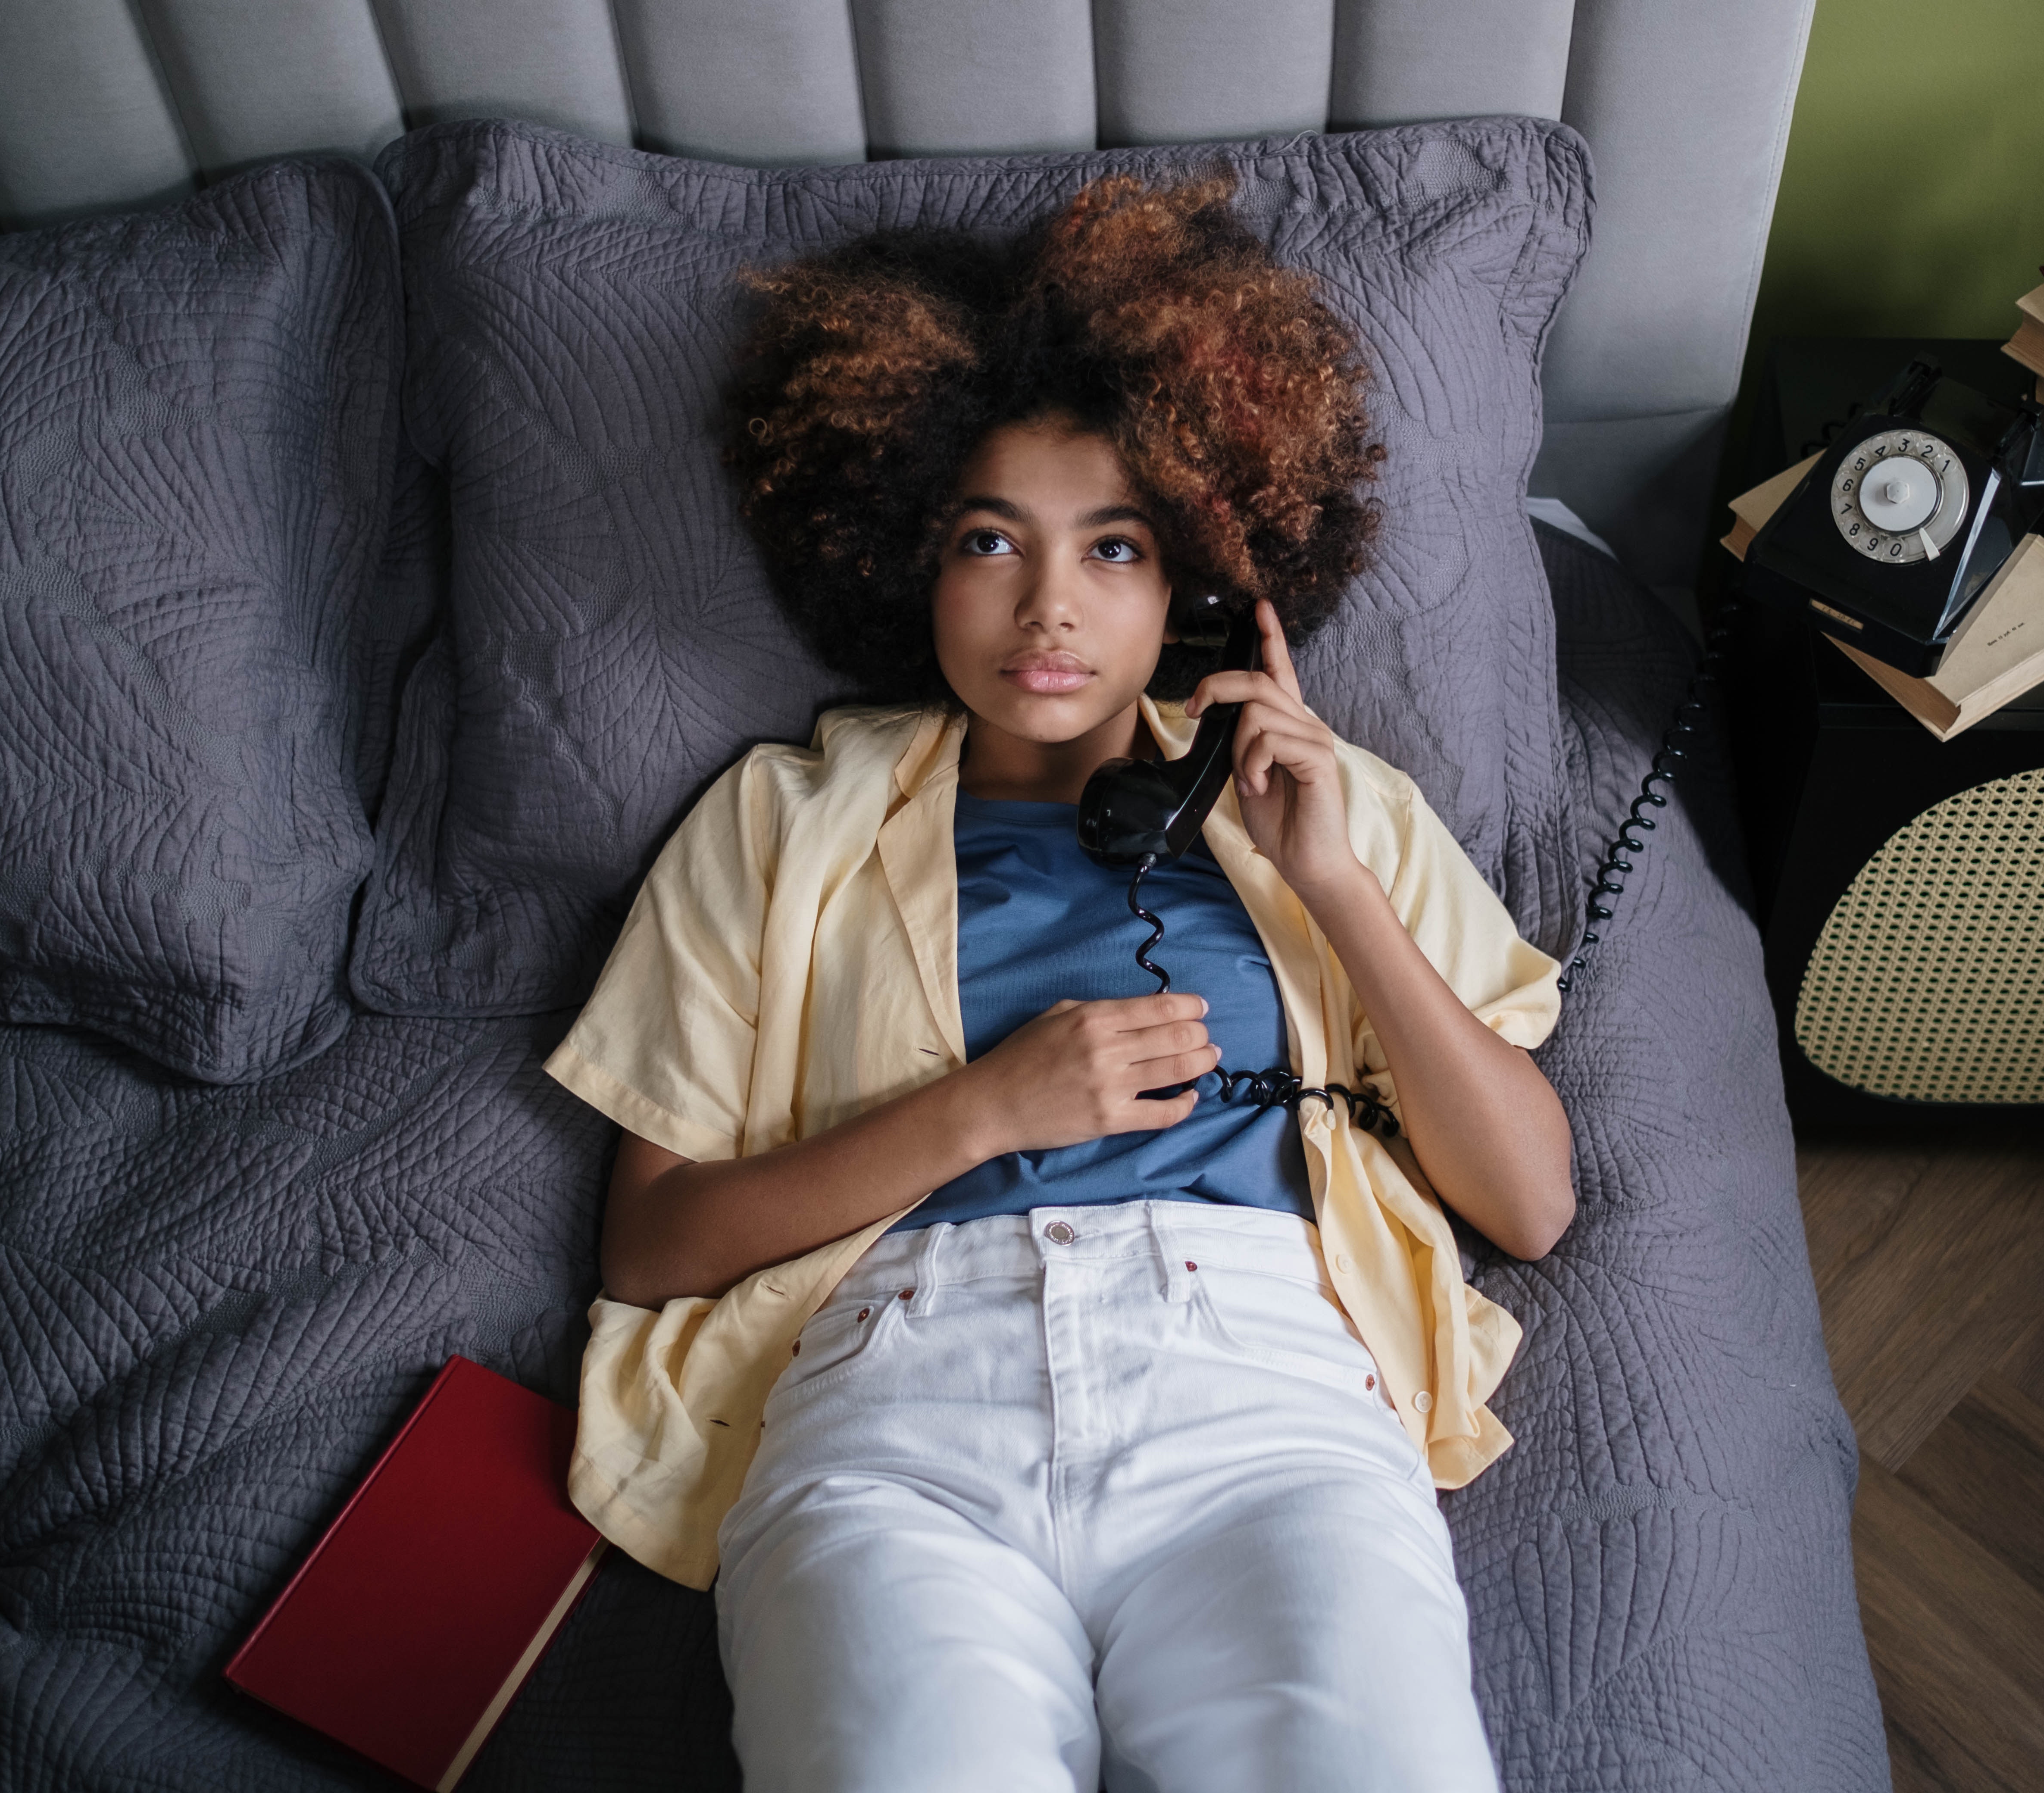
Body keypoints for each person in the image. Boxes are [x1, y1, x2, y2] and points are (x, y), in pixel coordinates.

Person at [544, 172, 1575, 1793]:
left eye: (1115, 548)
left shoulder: (1331, 803)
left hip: (1265, 1403)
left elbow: (1529, 1203)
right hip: (896, 1417)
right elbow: (653, 1243)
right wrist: (983, 1111)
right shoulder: (780, 820)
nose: (1050, 607)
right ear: (909, 561)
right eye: (989, 542)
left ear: (1195, 588)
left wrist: (1332, 884)